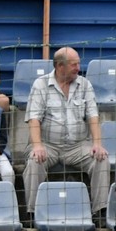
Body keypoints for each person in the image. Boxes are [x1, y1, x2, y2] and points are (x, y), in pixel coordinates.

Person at [24, 47, 110, 217]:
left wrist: (97, 144)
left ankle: (100, 211)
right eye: (73, 64)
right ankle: (33, 212)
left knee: (101, 159)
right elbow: (34, 118)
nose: (78, 68)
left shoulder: (84, 84)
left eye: (78, 63)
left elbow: (93, 116)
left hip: (77, 146)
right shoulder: (40, 84)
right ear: (59, 66)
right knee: (35, 161)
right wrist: (37, 145)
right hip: (48, 145)